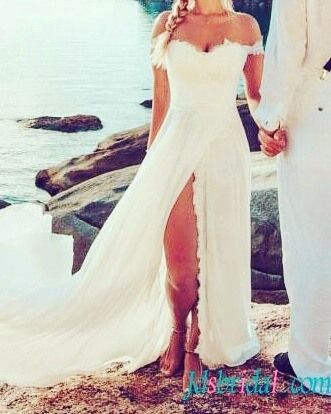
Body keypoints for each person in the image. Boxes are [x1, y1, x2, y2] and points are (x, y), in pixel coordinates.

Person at [0, 0, 264, 392]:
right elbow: (161, 106)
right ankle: (175, 328)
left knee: (220, 250)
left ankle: (195, 342)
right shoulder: (166, 24)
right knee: (181, 269)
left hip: (225, 150)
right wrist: (151, 165)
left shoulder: (246, 27)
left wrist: (271, 128)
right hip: (174, 152)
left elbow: (257, 96)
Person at [255, 0, 331, 396]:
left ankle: (315, 363)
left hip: (319, 110)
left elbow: (286, 50)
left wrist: (270, 122)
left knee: (311, 242)